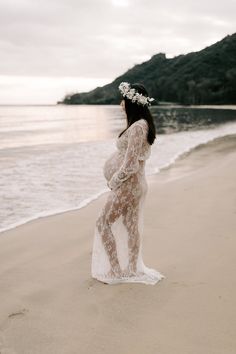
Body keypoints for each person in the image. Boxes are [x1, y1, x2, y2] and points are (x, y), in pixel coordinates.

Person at [91, 82, 165, 285]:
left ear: (131, 101)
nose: (121, 102)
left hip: (128, 186)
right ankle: (131, 268)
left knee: (103, 222)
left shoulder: (138, 126)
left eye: (123, 98)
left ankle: (116, 270)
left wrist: (114, 181)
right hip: (133, 185)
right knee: (129, 225)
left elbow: (131, 164)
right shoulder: (139, 124)